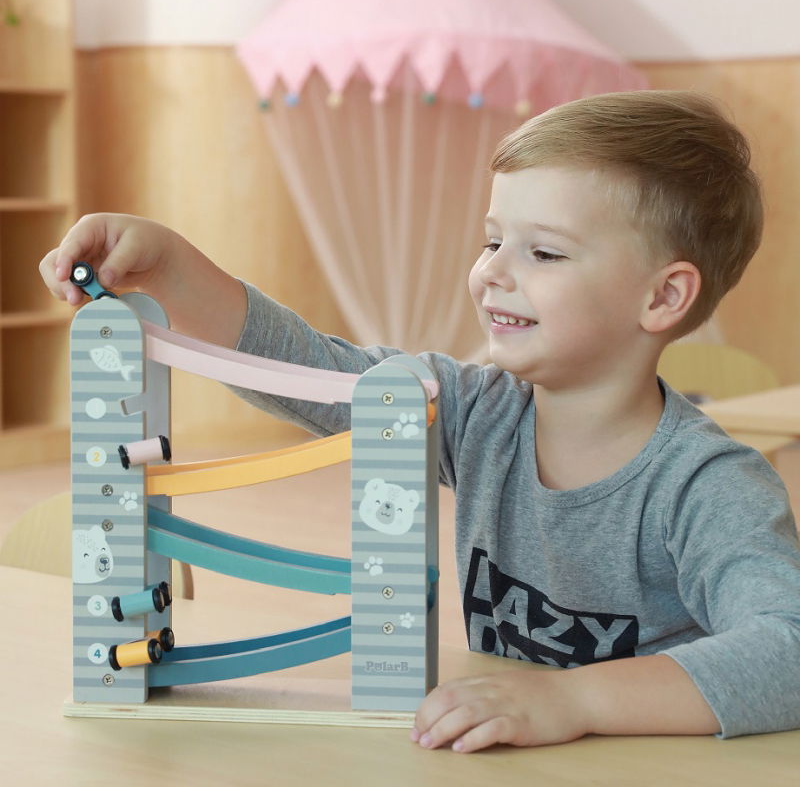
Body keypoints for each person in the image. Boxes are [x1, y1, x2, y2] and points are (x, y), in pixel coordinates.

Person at [40, 90, 800, 753]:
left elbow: (788, 650)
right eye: (493, 240)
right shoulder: (475, 411)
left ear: (663, 297)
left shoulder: (710, 487)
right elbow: (309, 372)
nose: (492, 271)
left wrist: (576, 701)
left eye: (544, 253)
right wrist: (173, 270)